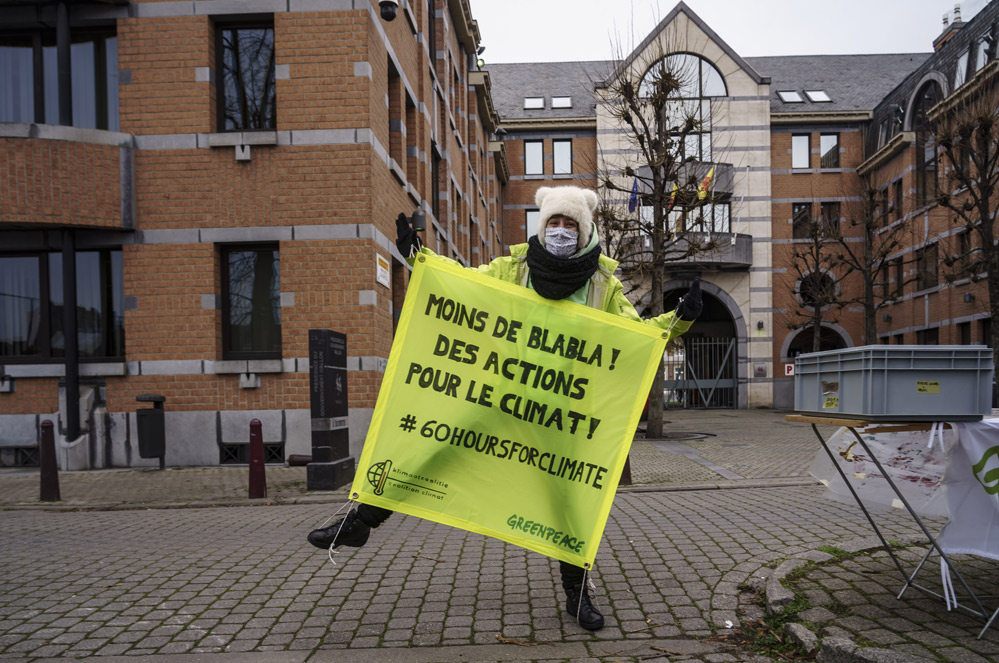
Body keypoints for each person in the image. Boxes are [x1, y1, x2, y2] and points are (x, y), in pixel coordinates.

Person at [308, 185, 702, 631]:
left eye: (569, 223)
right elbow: (462, 284)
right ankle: (360, 522)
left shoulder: (601, 285)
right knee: (434, 448)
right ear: (541, 225)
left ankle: (577, 593)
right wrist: (419, 259)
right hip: (500, 395)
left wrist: (679, 317)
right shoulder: (515, 268)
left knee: (570, 501)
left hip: (560, 411)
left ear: (585, 229)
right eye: (553, 221)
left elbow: (638, 337)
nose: (560, 230)